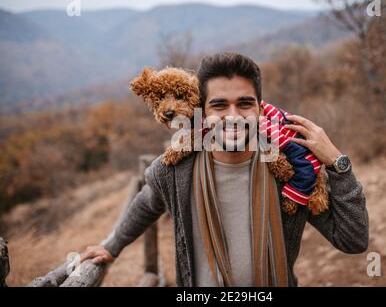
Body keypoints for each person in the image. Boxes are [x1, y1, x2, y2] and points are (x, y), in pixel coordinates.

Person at [81, 52, 369, 287]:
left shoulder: (291, 171)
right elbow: (147, 204)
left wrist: (337, 164)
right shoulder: (174, 171)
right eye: (219, 105)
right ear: (202, 111)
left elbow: (352, 240)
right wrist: (112, 245)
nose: (233, 116)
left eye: (245, 103)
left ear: (260, 107)